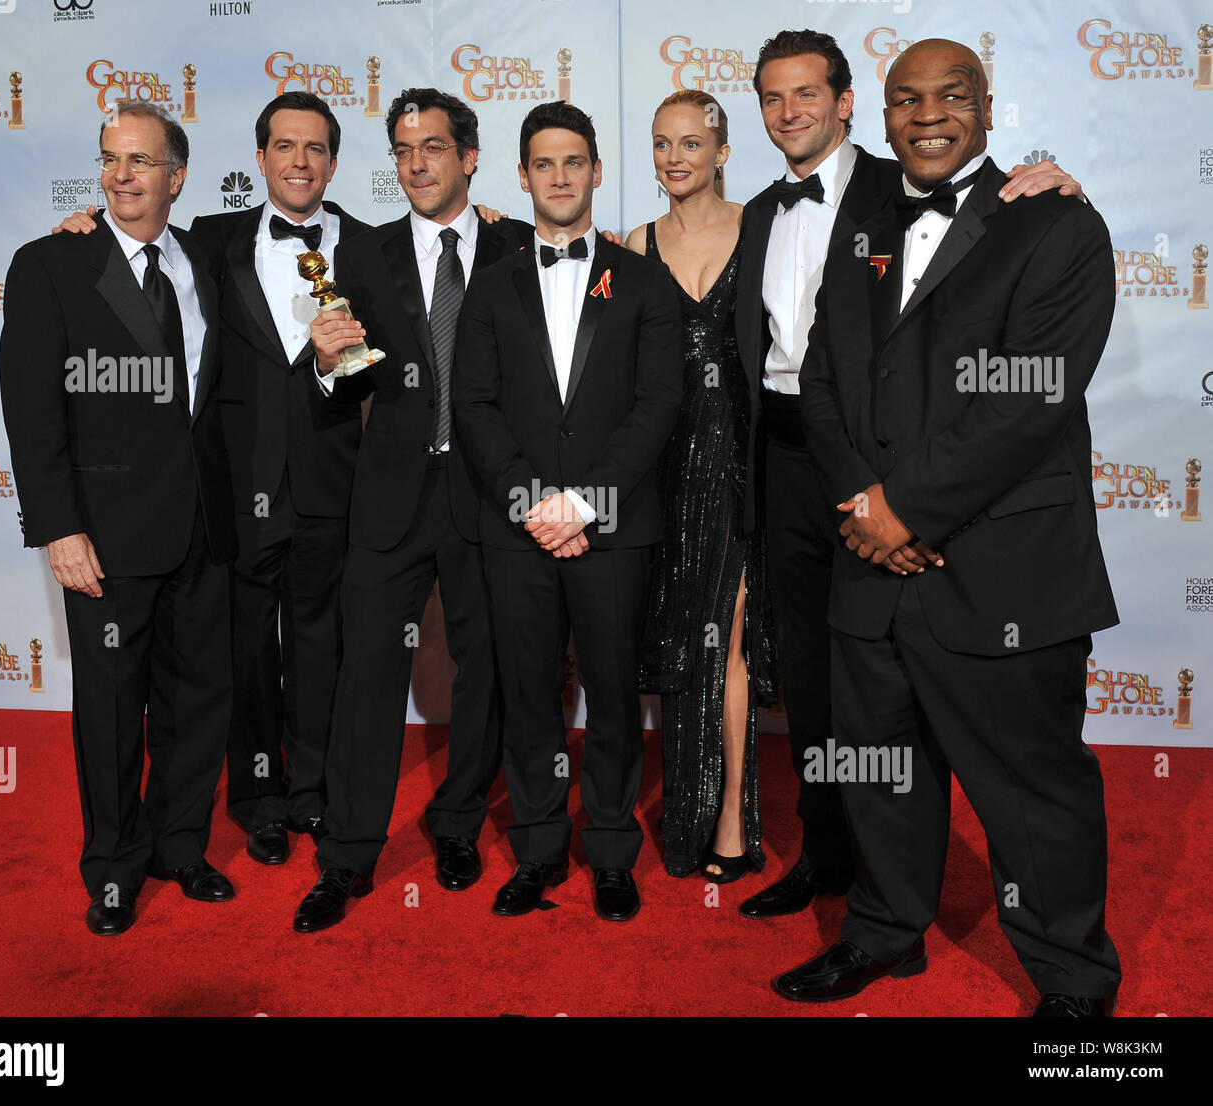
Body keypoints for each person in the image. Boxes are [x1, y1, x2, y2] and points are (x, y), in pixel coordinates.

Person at [775, 38, 1121, 1017]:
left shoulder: (1055, 224)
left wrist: (905, 510)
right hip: (869, 564)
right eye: (905, 99)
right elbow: (826, 376)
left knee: (1031, 793)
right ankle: (886, 932)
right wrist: (861, 505)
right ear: (879, 116)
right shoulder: (861, 219)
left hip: (1000, 569)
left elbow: (1031, 400)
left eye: (951, 95)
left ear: (987, 105)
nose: (927, 115)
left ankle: (1072, 981)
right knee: (879, 768)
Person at [52, 93, 370, 866]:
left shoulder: (375, 248)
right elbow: (130, 250)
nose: (299, 161)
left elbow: (386, 350)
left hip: (332, 485)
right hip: (231, 493)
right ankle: (257, 796)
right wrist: (81, 231)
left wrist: (490, 224)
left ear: (333, 162)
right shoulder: (208, 244)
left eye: (315, 148)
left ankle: (313, 792)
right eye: (284, 146)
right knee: (245, 655)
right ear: (258, 159)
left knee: (323, 647)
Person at [292, 88, 534, 933]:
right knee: (366, 678)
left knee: (487, 671)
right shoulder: (357, 251)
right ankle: (348, 855)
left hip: (487, 494)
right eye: (402, 149)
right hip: (390, 497)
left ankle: (458, 821)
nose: (417, 163)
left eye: (434, 146)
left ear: (470, 156)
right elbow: (338, 373)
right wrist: (324, 365)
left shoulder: (519, 246)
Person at [0, 102, 236, 935]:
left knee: (198, 701)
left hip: (203, 531)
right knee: (108, 709)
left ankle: (181, 846)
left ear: (177, 176)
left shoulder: (207, 259)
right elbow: (32, 414)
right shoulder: (50, 265)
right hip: (104, 535)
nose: (121, 175)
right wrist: (58, 528)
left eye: (140, 161)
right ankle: (112, 869)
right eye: (110, 159)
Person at [453, 101, 682, 922]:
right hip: (515, 530)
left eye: (574, 162)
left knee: (616, 694)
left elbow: (658, 407)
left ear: (593, 171)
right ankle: (540, 847)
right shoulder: (488, 288)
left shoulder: (646, 284)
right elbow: (473, 407)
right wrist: (532, 504)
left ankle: (613, 852)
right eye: (543, 164)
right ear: (521, 177)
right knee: (528, 695)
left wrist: (583, 503)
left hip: (613, 528)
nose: (559, 176)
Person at [628, 90, 777, 882]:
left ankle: (731, 818)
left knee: (732, 643)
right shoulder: (633, 242)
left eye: (691, 142)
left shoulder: (765, 226)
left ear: (722, 150)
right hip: (661, 464)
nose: (675, 157)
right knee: (684, 640)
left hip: (741, 462)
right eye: (661, 143)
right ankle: (685, 810)